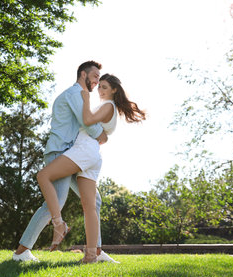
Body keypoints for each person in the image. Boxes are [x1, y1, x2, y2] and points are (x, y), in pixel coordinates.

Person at [13, 61, 117, 263]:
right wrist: (103, 136)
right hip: (59, 153)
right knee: (56, 202)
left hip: (72, 155)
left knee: (94, 200)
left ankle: (95, 250)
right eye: (95, 76)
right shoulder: (74, 94)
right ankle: (21, 251)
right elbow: (88, 122)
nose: (97, 81)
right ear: (83, 74)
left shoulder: (79, 95)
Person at [36, 73, 146, 263]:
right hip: (91, 154)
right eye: (99, 86)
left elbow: (86, 120)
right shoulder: (106, 107)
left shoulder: (108, 106)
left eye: (104, 87)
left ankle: (58, 224)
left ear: (114, 90)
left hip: (84, 152)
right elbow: (94, 129)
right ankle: (90, 256)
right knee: (89, 208)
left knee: (43, 176)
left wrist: (85, 98)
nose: (100, 90)